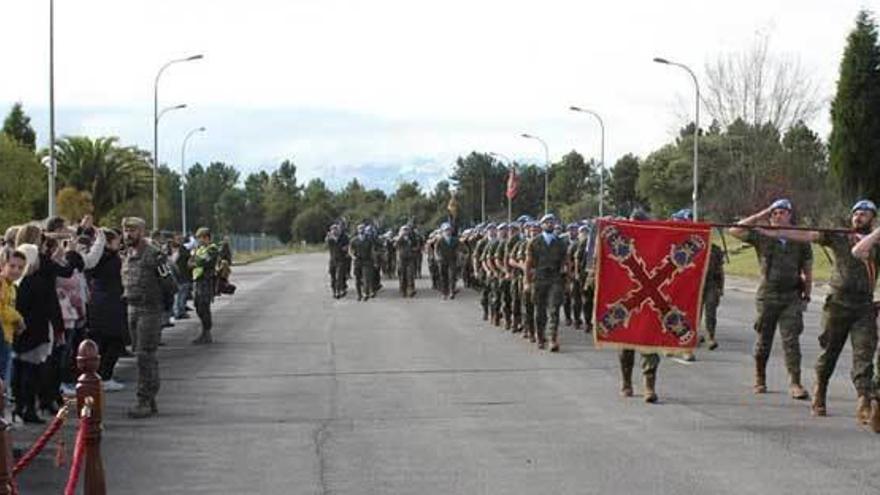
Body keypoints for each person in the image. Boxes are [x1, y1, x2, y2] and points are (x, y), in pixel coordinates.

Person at [777, 199, 880, 431]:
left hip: (864, 306)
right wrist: (778, 230)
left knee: (865, 354)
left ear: (873, 218)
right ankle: (820, 390)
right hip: (838, 304)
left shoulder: (876, 243)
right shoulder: (839, 236)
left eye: (864, 214)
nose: (858, 217)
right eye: (856, 213)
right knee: (829, 351)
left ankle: (864, 402)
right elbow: (807, 236)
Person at [729, 199, 812, 400]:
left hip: (791, 296)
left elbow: (807, 270)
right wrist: (761, 213)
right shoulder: (762, 236)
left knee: (791, 341)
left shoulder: (799, 239)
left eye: (782, 212)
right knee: (764, 340)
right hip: (768, 296)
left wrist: (807, 295)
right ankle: (760, 377)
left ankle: (795, 382)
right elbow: (734, 231)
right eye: (774, 213)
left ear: (790, 215)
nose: (777, 215)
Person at [121, 217, 165, 418]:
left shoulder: (154, 255)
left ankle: (144, 399)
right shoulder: (128, 254)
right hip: (132, 308)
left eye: (132, 230)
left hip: (149, 310)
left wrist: (157, 303)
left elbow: (169, 283)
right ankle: (150, 398)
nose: (128, 234)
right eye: (125, 230)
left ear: (142, 231)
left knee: (145, 355)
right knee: (142, 355)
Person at [86, 228, 126, 391]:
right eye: (117, 240)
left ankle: (101, 374)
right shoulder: (109, 258)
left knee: (103, 342)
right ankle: (105, 375)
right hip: (110, 302)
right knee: (113, 341)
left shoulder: (100, 258)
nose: (120, 243)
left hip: (100, 300)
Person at [525, 214, 568, 351]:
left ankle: (552, 339)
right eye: (547, 222)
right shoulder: (534, 242)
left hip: (555, 279)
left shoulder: (560, 243)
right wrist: (527, 281)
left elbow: (566, 263)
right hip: (539, 279)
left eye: (552, 222)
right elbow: (528, 263)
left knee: (554, 309)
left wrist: (567, 280)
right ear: (542, 225)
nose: (550, 224)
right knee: (540, 310)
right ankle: (540, 336)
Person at [0, 249, 26, 385]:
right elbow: (2, 308)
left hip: (7, 335)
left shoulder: (12, 287)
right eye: (12, 266)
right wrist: (19, 319)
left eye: (20, 268)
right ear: (3, 265)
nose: (16, 270)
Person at [190, 227, 219, 344]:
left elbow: (204, 261)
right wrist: (195, 261)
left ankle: (206, 333)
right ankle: (204, 331)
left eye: (201, 238)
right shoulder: (200, 249)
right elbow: (190, 262)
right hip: (198, 280)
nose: (199, 241)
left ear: (207, 237)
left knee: (204, 306)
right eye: (198, 238)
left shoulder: (212, 249)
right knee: (198, 306)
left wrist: (195, 261)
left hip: (206, 281)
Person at [349, 224, 375, 301]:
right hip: (358, 261)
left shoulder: (369, 240)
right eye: (360, 228)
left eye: (363, 228)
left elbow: (372, 250)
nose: (361, 230)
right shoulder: (354, 240)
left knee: (366, 278)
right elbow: (350, 250)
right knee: (357, 278)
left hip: (367, 261)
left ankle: (365, 293)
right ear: (357, 230)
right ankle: (359, 294)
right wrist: (353, 256)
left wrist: (374, 260)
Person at [435, 223, 460, 300]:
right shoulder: (440, 240)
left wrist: (460, 255)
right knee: (443, 277)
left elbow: (460, 248)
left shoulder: (455, 240)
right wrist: (437, 257)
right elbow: (436, 250)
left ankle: (452, 291)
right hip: (443, 260)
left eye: (449, 230)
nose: (448, 232)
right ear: (443, 231)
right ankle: (444, 292)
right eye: (446, 230)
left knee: (452, 276)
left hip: (452, 260)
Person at [395, 225, 418, 298]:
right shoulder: (399, 239)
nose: (405, 231)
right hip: (402, 259)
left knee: (410, 274)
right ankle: (403, 290)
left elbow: (416, 245)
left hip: (410, 258)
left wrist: (414, 250)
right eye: (404, 230)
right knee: (402, 275)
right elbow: (395, 245)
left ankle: (411, 290)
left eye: (407, 230)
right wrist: (400, 237)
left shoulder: (411, 238)